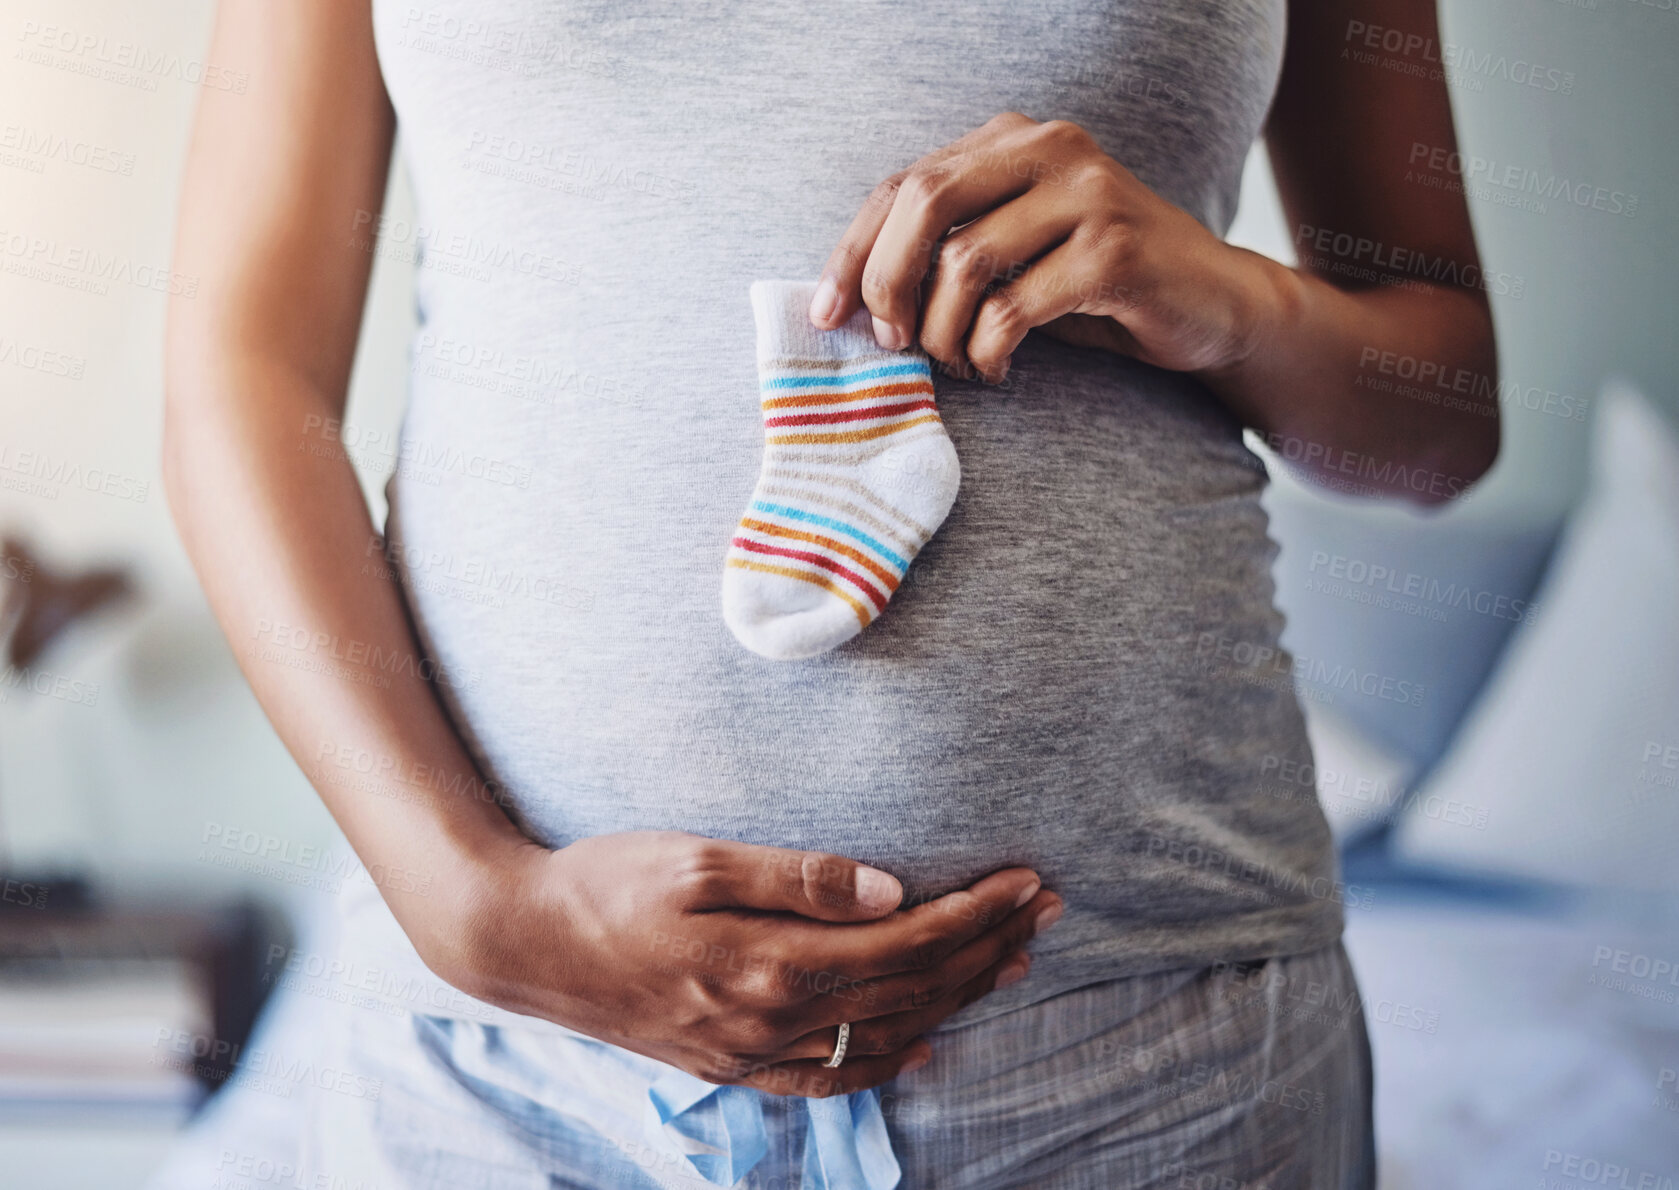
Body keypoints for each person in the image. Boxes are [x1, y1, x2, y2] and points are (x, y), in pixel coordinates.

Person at [163, 0, 1496, 1185]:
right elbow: (241, 373)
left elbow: (1445, 419)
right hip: (508, 1067)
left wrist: (1228, 302)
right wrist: (474, 910)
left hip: (1144, 1059)